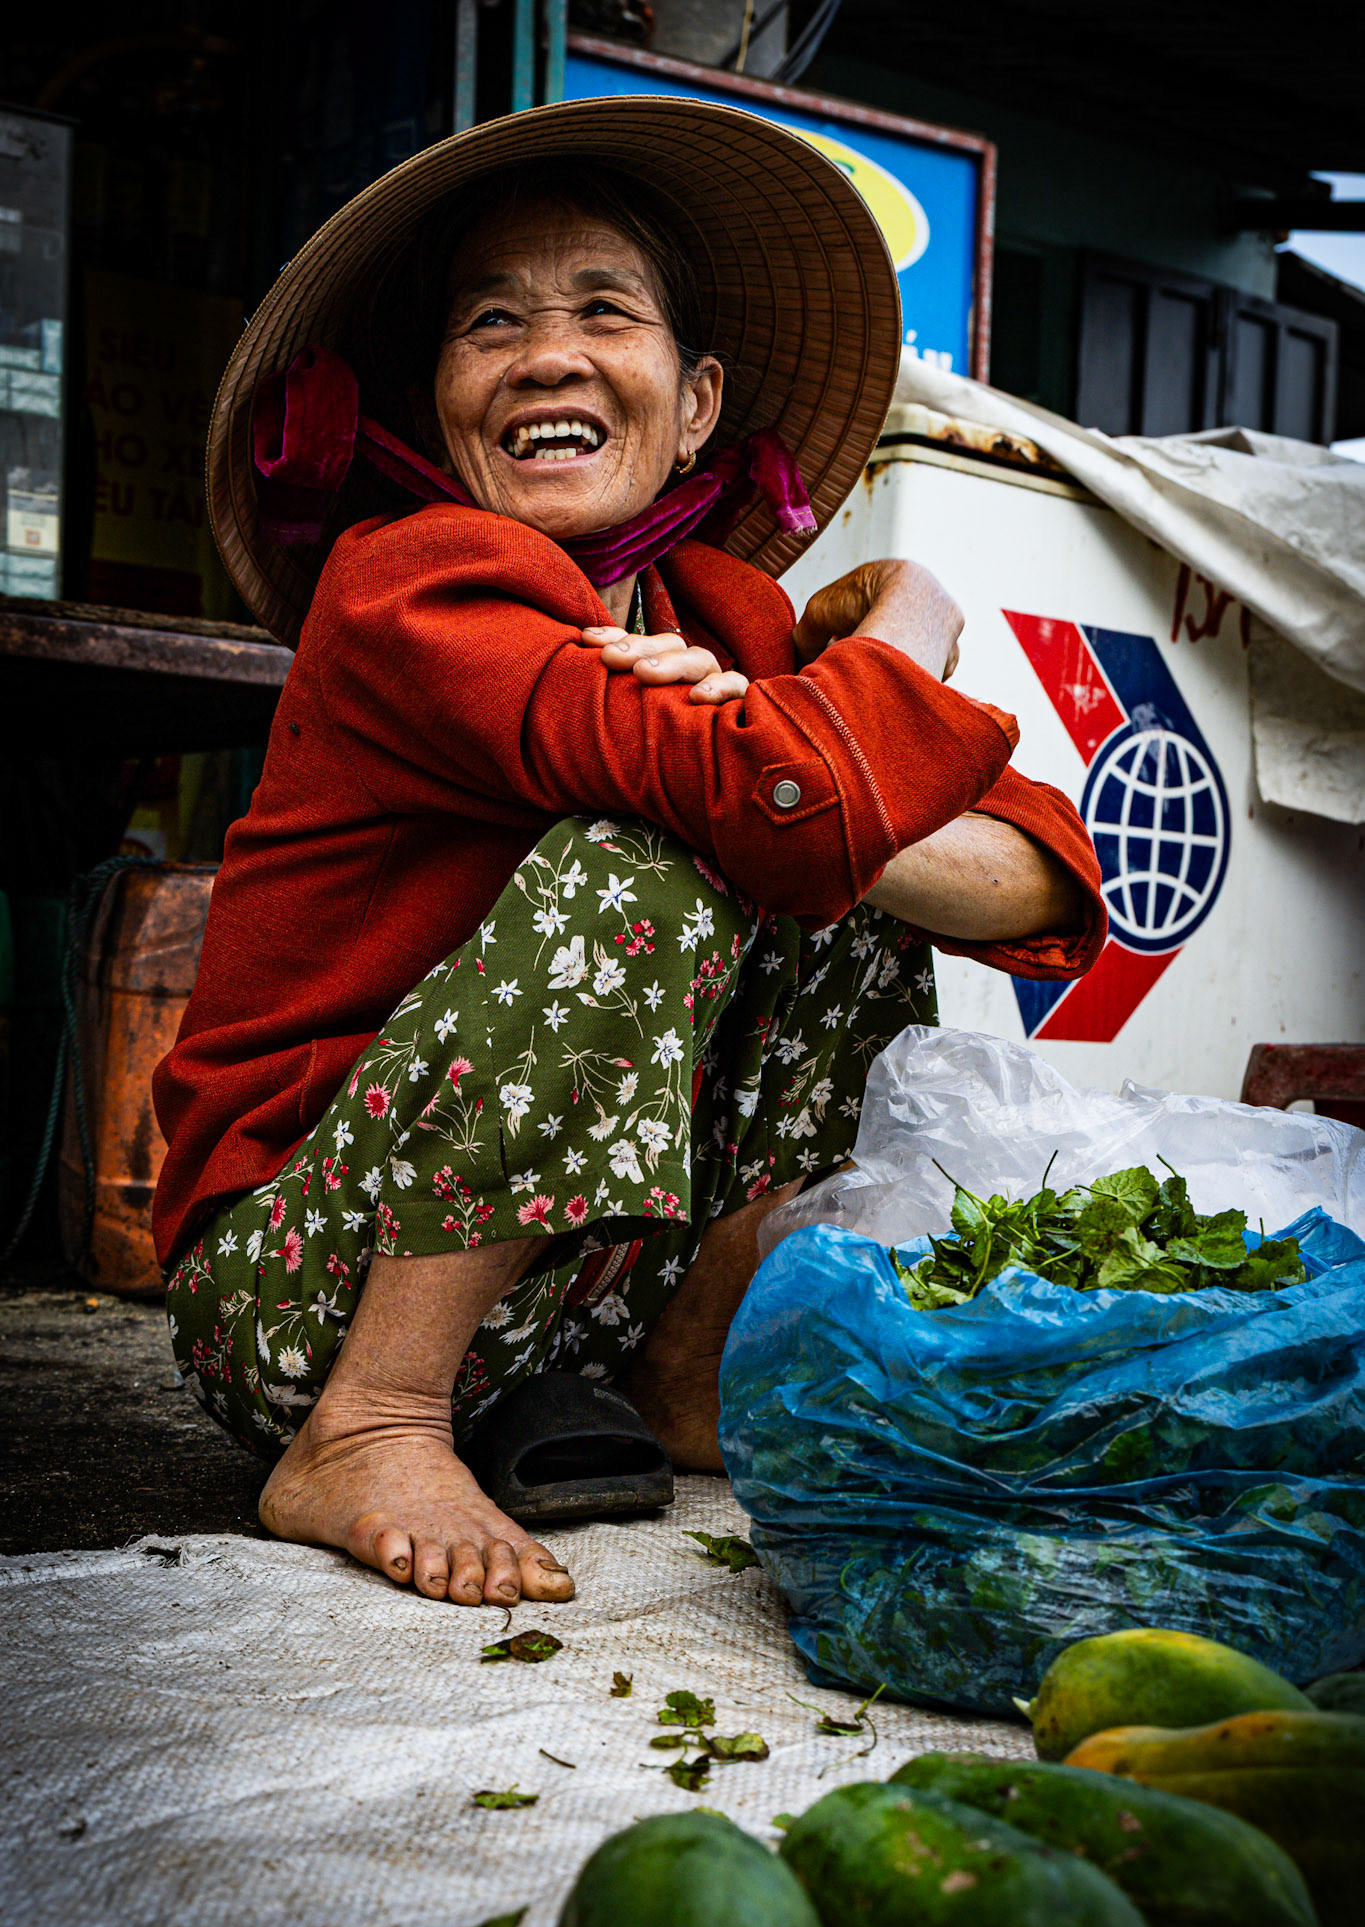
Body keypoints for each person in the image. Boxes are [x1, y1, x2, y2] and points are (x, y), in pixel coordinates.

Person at [154, 96, 1105, 1616]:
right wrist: (909, 629)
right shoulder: (417, 578)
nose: (546, 355)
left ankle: (685, 1377)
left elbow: (1047, 877)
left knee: (821, 885)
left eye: (605, 311)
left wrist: (803, 801)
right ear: (443, 400)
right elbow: (779, 802)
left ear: (697, 398)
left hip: (568, 1311)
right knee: (662, 850)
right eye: (489, 326)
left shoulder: (722, 620)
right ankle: (372, 1428)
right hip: (302, 1293)